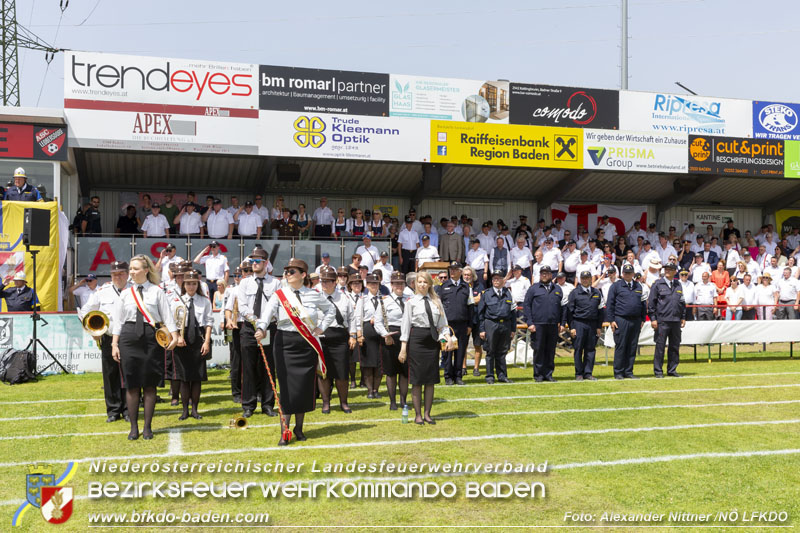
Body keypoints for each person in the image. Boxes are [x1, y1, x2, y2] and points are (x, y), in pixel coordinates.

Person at [255, 258, 335, 445]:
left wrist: (321, 328)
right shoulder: (279, 295)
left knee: (304, 387)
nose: (287, 275)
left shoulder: (313, 294)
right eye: (286, 271)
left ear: (303, 275)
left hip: (306, 343)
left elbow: (330, 310)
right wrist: (261, 328)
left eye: (292, 272)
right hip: (285, 343)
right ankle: (285, 430)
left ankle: (299, 428)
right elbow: (266, 314)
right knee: (287, 388)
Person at [111, 255, 179, 440]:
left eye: (135, 269)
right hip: (129, 338)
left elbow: (167, 316)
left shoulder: (157, 291)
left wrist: (175, 336)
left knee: (150, 385)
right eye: (130, 269)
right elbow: (118, 322)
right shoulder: (125, 293)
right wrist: (114, 344)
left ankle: (147, 427)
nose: (131, 272)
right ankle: (133, 428)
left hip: (151, 338)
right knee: (131, 385)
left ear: (146, 270)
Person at [398, 271, 454, 425]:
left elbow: (443, 323)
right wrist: (403, 348)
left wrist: (448, 337)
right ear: (415, 284)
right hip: (416, 340)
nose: (422, 284)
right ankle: (417, 415)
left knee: (430, 380)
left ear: (430, 284)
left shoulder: (437, 301)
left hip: (432, 341)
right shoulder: (410, 302)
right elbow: (405, 325)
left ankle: (428, 414)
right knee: (417, 380)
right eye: (419, 282)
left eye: (425, 282)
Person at [79, 261, 130, 422]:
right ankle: (113, 410)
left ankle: (129, 409)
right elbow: (85, 310)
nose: (118, 276)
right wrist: (92, 330)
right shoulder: (102, 291)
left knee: (129, 374)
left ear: (127, 274)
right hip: (108, 337)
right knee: (110, 374)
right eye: (115, 274)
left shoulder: (134, 290)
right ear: (110, 275)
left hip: (129, 338)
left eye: (121, 273)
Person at [236, 248, 281, 418]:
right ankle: (248, 405)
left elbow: (277, 306)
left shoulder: (275, 283)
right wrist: (255, 322)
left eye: (257, 261)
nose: (253, 264)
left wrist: (264, 325)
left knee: (268, 365)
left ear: (265, 262)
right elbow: (242, 307)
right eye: (252, 261)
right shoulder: (244, 283)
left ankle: (268, 404)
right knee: (248, 367)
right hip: (249, 328)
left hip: (269, 327)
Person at [171, 271, 212, 420]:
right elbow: (172, 322)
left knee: (197, 377)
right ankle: (184, 410)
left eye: (194, 283)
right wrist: (178, 337)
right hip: (182, 340)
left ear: (198, 284)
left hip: (198, 339)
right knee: (184, 378)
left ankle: (195, 409)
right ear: (184, 285)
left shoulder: (204, 301)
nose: (191, 286)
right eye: (188, 283)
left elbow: (208, 323)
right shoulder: (177, 300)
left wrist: (206, 342)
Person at [317, 266, 356, 414]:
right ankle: (326, 403)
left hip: (340, 339)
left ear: (335, 282)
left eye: (328, 281)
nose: (324, 284)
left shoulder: (344, 298)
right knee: (324, 373)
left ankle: (344, 402)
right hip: (322, 338)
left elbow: (352, 318)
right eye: (323, 281)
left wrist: (353, 336)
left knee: (342, 373)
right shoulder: (315, 298)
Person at [374, 271, 410, 409]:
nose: (399, 286)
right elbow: (378, 322)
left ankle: (403, 400)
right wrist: (385, 334)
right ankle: (392, 401)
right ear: (391, 285)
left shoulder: (410, 300)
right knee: (391, 371)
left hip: (406, 336)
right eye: (396, 283)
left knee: (404, 371)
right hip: (390, 337)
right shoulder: (384, 301)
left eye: (401, 283)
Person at [522, 265, 564, 382]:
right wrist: (529, 322)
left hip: (553, 324)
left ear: (551, 275)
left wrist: (562, 323)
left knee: (550, 350)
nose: (544, 275)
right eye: (542, 273)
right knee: (539, 349)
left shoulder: (557, 289)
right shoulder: (533, 289)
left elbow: (563, 308)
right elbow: (527, 306)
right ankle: (538, 375)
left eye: (546, 273)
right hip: (538, 325)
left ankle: (549, 374)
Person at [605, 264, 647, 380]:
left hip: (636, 320)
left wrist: (643, 318)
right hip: (621, 319)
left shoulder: (638, 286)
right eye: (625, 273)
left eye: (630, 273)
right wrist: (611, 320)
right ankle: (618, 372)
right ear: (622, 274)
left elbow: (643, 303)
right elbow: (610, 304)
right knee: (621, 346)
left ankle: (629, 371)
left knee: (632, 346)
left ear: (633, 274)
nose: (627, 275)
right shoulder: (616, 286)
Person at [436, 262, 472, 386]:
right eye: (451, 269)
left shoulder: (466, 287)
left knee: (460, 351)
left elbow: (470, 306)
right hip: (447, 325)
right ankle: (448, 377)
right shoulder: (442, 286)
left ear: (460, 271)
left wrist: (470, 325)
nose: (452, 271)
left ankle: (458, 376)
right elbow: (439, 306)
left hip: (462, 325)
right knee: (447, 352)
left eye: (455, 269)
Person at [564, 271, 603, 381]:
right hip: (579, 323)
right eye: (583, 278)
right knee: (578, 349)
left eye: (587, 278)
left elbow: (601, 311)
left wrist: (599, 326)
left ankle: (588, 373)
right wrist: (572, 327)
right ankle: (579, 373)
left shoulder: (597, 292)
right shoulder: (574, 293)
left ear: (591, 279)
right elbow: (569, 312)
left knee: (590, 349)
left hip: (593, 324)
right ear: (580, 279)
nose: (585, 280)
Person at [648, 263, 685, 378]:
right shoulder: (657, 284)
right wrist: (653, 319)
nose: (668, 271)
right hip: (662, 320)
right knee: (660, 347)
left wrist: (683, 317)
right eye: (666, 269)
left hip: (675, 320)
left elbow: (682, 302)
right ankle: (658, 371)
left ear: (675, 272)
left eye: (670, 269)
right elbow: (651, 303)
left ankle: (672, 370)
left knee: (674, 346)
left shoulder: (678, 284)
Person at [479, 270, 515, 384]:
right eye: (494, 278)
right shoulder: (486, 293)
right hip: (491, 324)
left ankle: (502, 375)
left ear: (503, 280)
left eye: (498, 278)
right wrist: (482, 329)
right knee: (490, 351)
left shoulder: (508, 293)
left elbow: (513, 312)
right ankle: (490, 376)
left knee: (502, 351)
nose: (496, 280)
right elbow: (480, 313)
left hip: (505, 324)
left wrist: (513, 329)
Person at [354, 273, 385, 398]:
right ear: (367, 285)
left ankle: (376, 390)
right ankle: (369, 390)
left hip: (381, 334)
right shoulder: (363, 300)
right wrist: (359, 335)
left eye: (376, 283)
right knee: (367, 364)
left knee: (379, 363)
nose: (374, 285)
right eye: (371, 283)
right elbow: (357, 319)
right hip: (367, 333)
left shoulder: (384, 299)